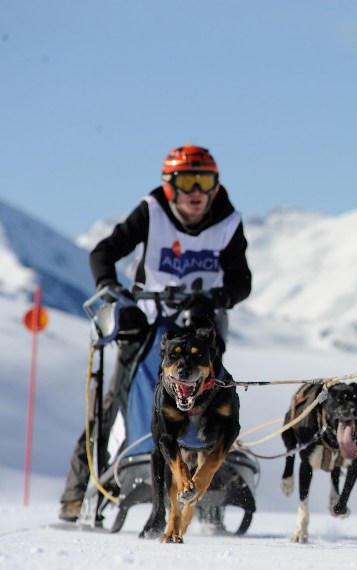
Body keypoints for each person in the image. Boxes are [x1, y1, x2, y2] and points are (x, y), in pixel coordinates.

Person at [59, 145, 252, 522]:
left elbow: (241, 281)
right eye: (186, 181)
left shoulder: (228, 221)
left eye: (204, 181)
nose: (196, 192)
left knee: (216, 398)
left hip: (202, 326)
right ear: (169, 187)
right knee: (113, 400)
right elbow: (103, 252)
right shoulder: (152, 212)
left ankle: (213, 476)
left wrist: (216, 297)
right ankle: (79, 492)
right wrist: (112, 291)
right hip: (149, 322)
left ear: (215, 187)